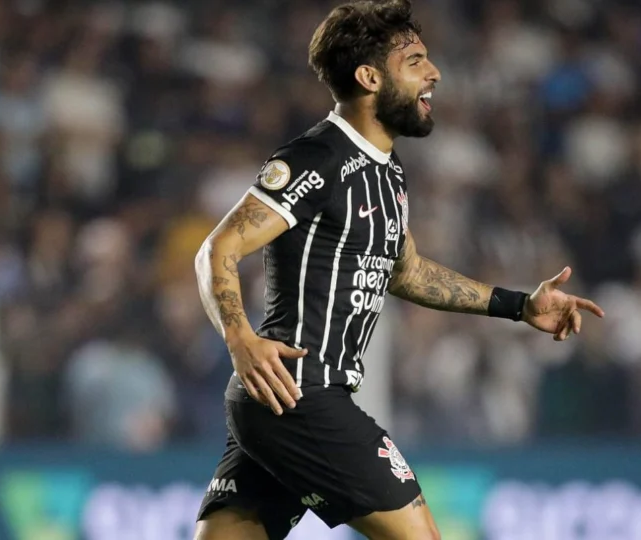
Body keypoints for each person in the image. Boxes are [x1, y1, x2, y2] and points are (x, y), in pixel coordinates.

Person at [192, 1, 605, 539]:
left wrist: (520, 305)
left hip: (277, 401)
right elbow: (217, 249)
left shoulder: (388, 172)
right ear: (369, 78)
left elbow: (406, 273)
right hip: (303, 395)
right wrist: (240, 339)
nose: (434, 73)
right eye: (415, 61)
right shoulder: (318, 158)